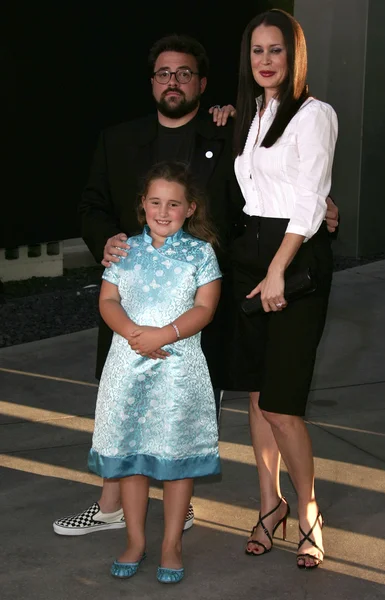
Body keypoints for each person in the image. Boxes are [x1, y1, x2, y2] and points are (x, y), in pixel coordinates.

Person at [52, 32, 340, 537]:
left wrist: (324, 208)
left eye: (185, 73)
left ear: (202, 84)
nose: (174, 81)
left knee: (182, 404)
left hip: (204, 297)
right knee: (123, 402)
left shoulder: (227, 133)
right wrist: (108, 242)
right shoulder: (117, 139)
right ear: (151, 82)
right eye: (164, 73)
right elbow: (90, 206)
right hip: (131, 297)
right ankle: (109, 506)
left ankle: (177, 505)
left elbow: (269, 188)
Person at [225, 9, 338, 570]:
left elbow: (311, 200)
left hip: (293, 259)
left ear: (294, 57)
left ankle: (311, 513)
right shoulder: (252, 113)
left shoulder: (315, 115)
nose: (265, 61)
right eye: (256, 51)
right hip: (251, 254)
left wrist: (277, 269)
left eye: (276, 51)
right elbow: (255, 183)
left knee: (283, 404)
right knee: (254, 395)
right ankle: (270, 506)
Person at [88, 160, 221, 583]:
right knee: (131, 458)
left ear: (190, 209)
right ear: (142, 204)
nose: (164, 212)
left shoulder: (199, 253)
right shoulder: (125, 250)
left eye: (174, 204)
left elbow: (205, 307)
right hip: (127, 366)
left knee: (175, 458)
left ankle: (171, 544)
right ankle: (135, 539)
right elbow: (108, 300)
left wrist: (164, 334)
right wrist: (133, 334)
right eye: (155, 202)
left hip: (177, 371)